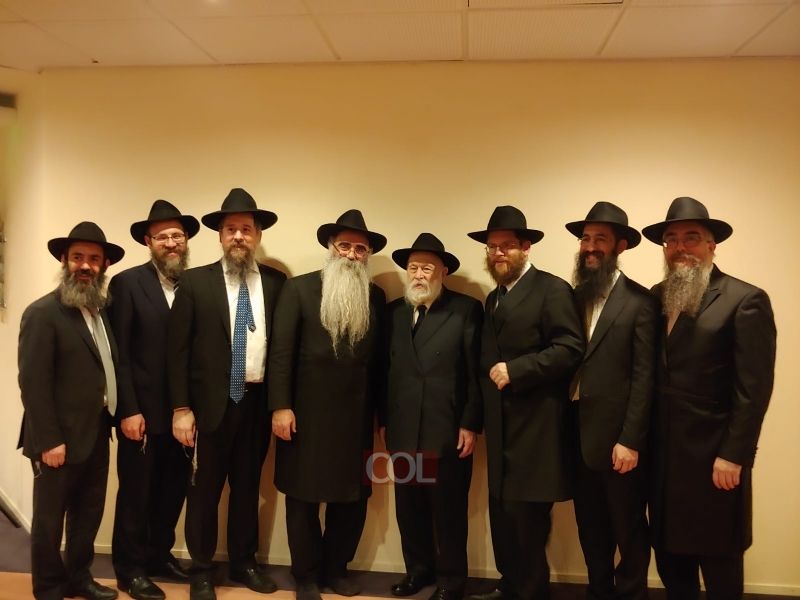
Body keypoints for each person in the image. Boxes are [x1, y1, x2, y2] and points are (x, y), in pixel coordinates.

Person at [643, 197, 776, 600]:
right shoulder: (655, 295)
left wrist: (734, 454)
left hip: (714, 459)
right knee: (670, 561)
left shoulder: (744, 299)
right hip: (662, 459)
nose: (680, 247)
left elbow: (753, 389)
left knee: (719, 563)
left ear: (711, 245)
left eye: (691, 238)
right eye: (671, 239)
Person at [168, 188, 286, 600]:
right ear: (220, 235)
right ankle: (201, 569)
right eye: (231, 229)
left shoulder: (276, 283)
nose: (238, 236)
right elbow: (177, 351)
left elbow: (281, 348)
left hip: (256, 403)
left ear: (257, 236)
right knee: (203, 490)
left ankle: (244, 562)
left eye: (246, 229)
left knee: (247, 487)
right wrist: (181, 408)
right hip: (208, 406)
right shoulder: (194, 282)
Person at [269, 209, 387, 600]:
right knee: (303, 497)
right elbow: (281, 353)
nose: (352, 254)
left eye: (360, 249)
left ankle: (336, 569)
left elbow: (381, 363)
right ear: (330, 248)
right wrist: (280, 406)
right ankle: (305, 575)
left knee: (352, 499)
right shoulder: (298, 289)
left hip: (356, 418)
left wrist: (383, 417)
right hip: (305, 415)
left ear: (367, 255)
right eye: (344, 246)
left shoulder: (375, 296)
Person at [469, 205, 584, 600]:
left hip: (537, 427)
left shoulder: (552, 289)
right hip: (501, 428)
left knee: (529, 520)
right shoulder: (493, 298)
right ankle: (509, 585)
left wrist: (517, 370)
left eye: (507, 246)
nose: (498, 253)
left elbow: (570, 349)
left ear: (526, 247)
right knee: (503, 515)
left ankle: (532, 592)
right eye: (492, 247)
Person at [18, 222, 125, 600]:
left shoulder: (99, 311)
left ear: (104, 266)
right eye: (78, 257)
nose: (85, 265)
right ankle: (48, 587)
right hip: (57, 438)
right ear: (64, 260)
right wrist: (50, 439)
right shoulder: (42, 313)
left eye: (94, 259)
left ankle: (80, 577)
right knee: (49, 520)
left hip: (95, 431)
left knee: (87, 513)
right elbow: (33, 383)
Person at [382, 233, 483, 600]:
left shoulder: (466, 309)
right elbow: (384, 371)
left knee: (448, 512)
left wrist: (470, 422)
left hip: (447, 431)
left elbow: (476, 372)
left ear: (443, 272)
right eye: (413, 267)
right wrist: (384, 420)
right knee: (409, 510)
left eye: (427, 267)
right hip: (404, 429)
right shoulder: (393, 312)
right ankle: (418, 571)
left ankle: (451, 580)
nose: (419, 274)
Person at [565, 202, 657, 600]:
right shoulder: (571, 297)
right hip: (576, 435)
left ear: (621, 246)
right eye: (585, 238)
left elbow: (645, 377)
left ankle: (632, 594)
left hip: (620, 442)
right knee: (590, 527)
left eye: (600, 239)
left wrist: (631, 439)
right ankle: (598, 591)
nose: (590, 247)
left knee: (628, 528)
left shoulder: (641, 302)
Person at [109, 200, 200, 600]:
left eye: (177, 235)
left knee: (172, 491)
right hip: (141, 414)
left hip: (182, 415)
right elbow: (119, 354)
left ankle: (159, 556)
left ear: (187, 240)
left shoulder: (195, 284)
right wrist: (128, 410)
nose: (171, 242)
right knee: (136, 495)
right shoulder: (127, 283)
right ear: (148, 242)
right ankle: (129, 570)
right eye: (162, 236)